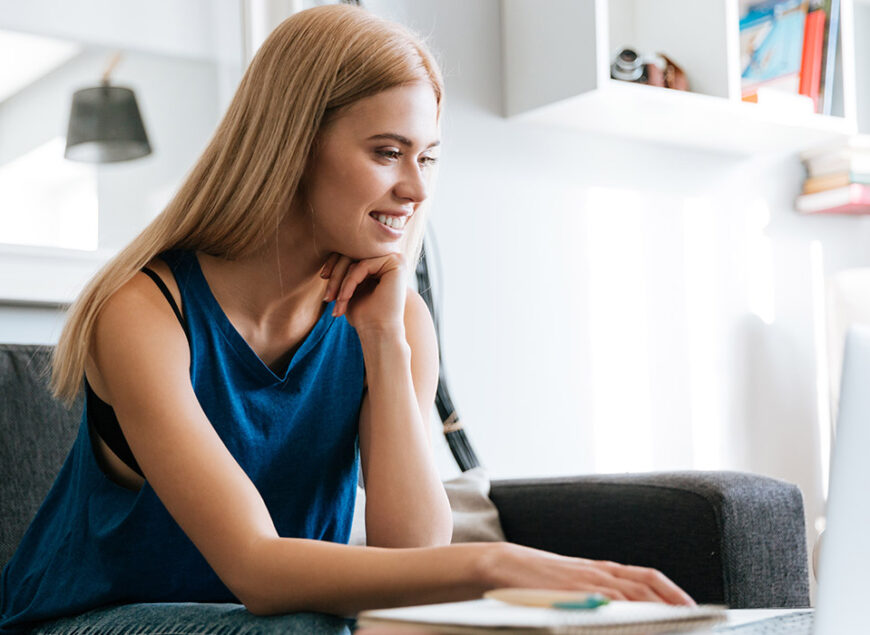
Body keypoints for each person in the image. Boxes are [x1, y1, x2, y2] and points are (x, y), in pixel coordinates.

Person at [0, 5, 695, 634]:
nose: (418, 189)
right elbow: (257, 567)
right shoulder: (144, 311)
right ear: (293, 147)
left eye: (427, 157)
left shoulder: (393, 318)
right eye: (387, 152)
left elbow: (411, 560)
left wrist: (386, 344)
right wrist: (493, 564)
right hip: (83, 621)